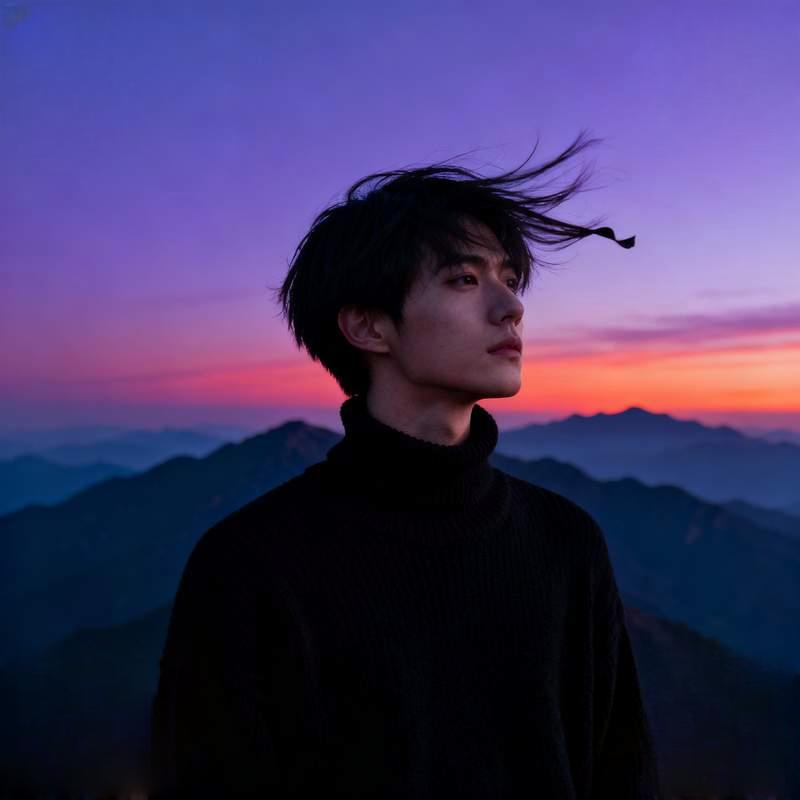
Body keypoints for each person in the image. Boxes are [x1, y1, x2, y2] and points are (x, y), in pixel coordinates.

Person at [149, 131, 664, 798]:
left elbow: (620, 776)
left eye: (509, 278)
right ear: (369, 327)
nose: (512, 306)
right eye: (463, 279)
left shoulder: (565, 542)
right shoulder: (251, 565)